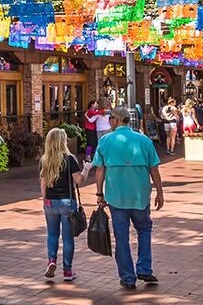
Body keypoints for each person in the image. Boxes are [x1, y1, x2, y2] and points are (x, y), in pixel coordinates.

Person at [93, 107, 165, 291]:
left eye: (110, 118)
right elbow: (154, 169)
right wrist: (159, 191)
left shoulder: (106, 141)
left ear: (116, 120)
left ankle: (127, 277)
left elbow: (99, 170)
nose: (109, 121)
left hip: (116, 197)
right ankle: (144, 268)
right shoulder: (143, 140)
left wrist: (99, 193)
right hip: (140, 195)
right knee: (144, 229)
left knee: (122, 236)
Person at [38, 128, 88, 282]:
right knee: (67, 238)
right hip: (67, 201)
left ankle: (51, 260)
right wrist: (86, 168)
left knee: (52, 234)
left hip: (50, 202)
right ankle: (67, 271)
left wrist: (45, 200)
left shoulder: (44, 160)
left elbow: (43, 183)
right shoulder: (69, 159)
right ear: (63, 141)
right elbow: (79, 180)